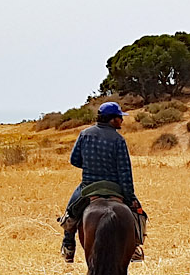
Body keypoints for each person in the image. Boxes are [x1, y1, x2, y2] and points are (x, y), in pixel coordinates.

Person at [61, 101, 147, 263]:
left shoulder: (84, 134)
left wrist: (90, 166)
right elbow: (125, 172)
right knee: (138, 214)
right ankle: (135, 245)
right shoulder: (118, 140)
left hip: (88, 186)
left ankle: (68, 246)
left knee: (70, 212)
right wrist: (130, 197)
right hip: (115, 187)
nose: (122, 120)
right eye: (120, 117)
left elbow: (74, 160)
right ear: (112, 119)